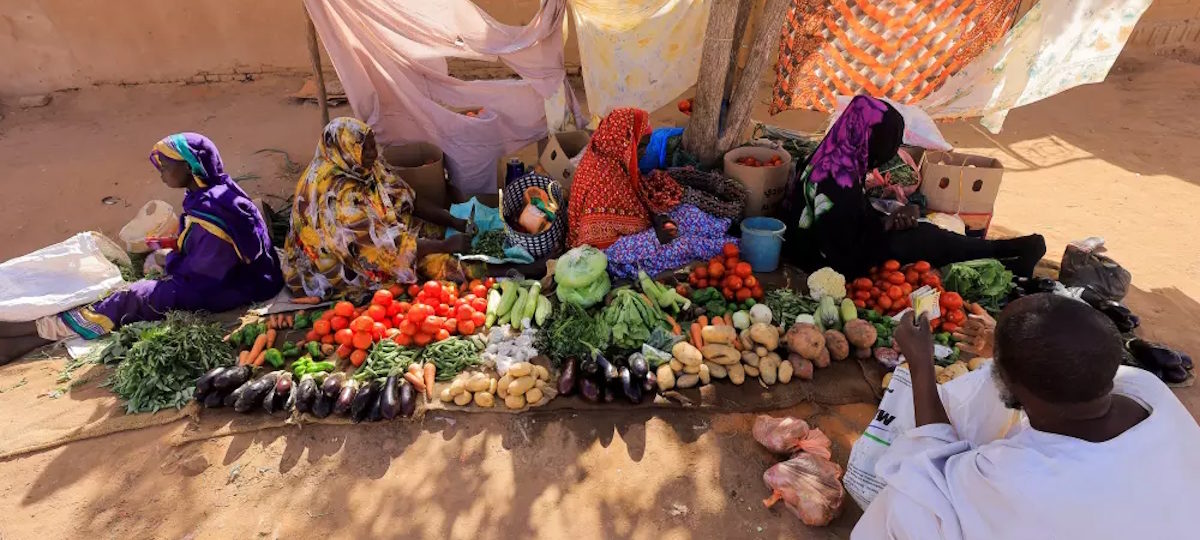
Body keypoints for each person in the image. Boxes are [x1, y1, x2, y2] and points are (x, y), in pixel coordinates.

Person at [852, 293, 1200, 539]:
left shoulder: (1021, 478)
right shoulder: (1145, 387)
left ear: (1011, 386)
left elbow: (928, 471)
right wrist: (1005, 351)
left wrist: (921, 365)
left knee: (902, 506)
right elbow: (1065, 364)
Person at [0, 133, 284, 364]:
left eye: (166, 166)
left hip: (237, 286)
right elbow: (209, 247)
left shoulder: (215, 209)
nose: (161, 172)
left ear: (188, 166)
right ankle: (37, 330)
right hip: (240, 274)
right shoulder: (215, 190)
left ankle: (34, 332)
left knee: (130, 298)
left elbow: (204, 273)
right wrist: (175, 247)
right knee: (143, 278)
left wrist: (169, 260)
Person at [782, 95, 1046, 278]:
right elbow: (843, 249)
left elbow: (842, 221)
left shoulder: (830, 156)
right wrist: (886, 226)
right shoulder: (839, 179)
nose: (892, 150)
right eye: (890, 142)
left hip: (816, 243)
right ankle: (1007, 251)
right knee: (926, 239)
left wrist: (888, 218)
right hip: (820, 259)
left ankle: (1006, 251)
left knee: (926, 233)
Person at [282, 117, 477, 300]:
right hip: (335, 266)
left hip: (376, 233)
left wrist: (452, 220)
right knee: (435, 265)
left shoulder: (361, 165)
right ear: (347, 149)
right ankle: (495, 270)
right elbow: (376, 250)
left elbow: (406, 198)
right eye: (363, 148)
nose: (372, 153)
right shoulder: (335, 195)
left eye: (372, 145)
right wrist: (444, 246)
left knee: (436, 233)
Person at [568, 107, 653, 249]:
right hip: (597, 251)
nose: (645, 152)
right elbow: (596, 241)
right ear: (623, 142)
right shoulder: (604, 180)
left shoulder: (605, 154)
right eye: (641, 146)